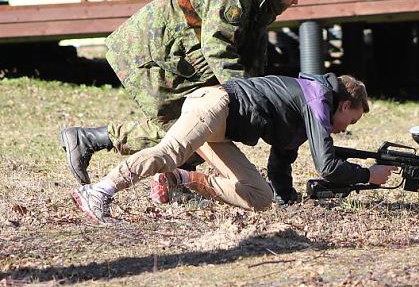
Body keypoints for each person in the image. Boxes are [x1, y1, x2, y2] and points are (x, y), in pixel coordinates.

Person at [60, 0, 308, 186]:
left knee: (201, 124)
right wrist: (244, 96)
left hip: (176, 59)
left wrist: (260, 95)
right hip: (146, 55)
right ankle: (90, 140)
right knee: (192, 127)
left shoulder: (259, 1)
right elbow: (218, 47)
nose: (296, 1)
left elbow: (251, 57)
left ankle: (171, 181)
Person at [70, 73, 396, 224]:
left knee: (259, 196)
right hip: (215, 105)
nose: (342, 130)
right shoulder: (317, 100)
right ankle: (98, 192)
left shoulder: (309, 111)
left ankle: (180, 179)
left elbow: (281, 163)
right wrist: (369, 174)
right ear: (345, 104)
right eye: (348, 122)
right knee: (167, 151)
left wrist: (290, 204)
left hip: (221, 129)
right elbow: (326, 167)